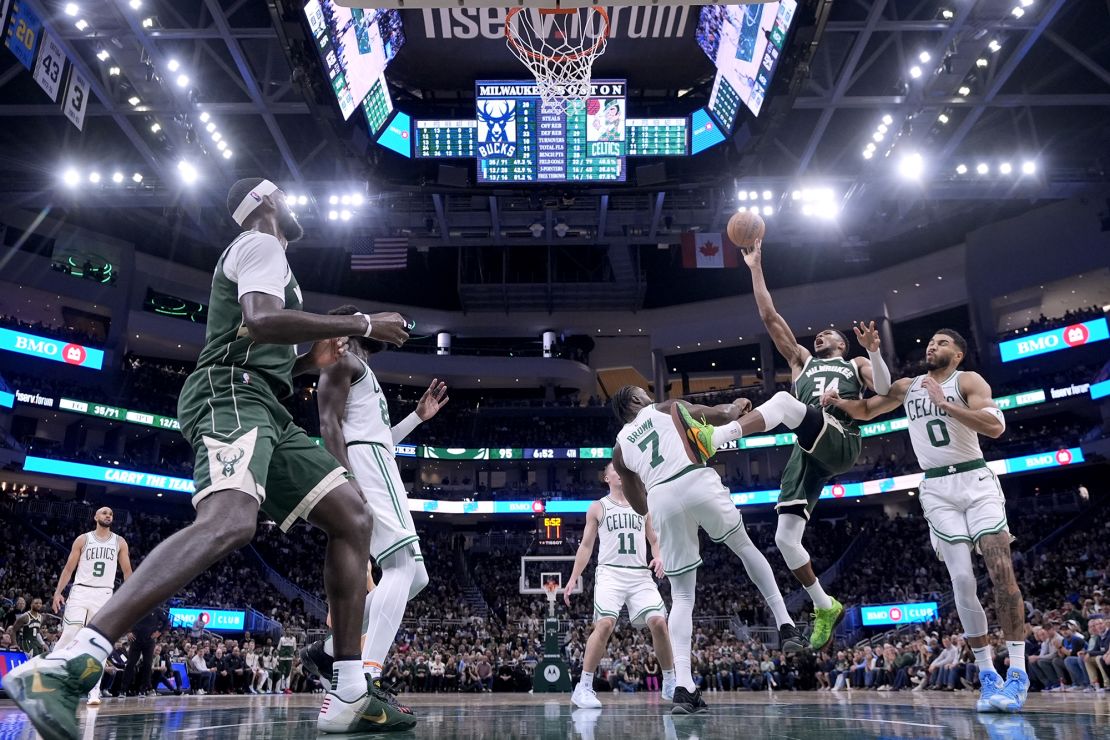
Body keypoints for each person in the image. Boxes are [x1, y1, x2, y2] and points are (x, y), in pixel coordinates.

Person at [1, 177, 416, 738]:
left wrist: (304, 361)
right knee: (230, 521)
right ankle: (69, 662)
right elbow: (261, 320)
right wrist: (362, 324)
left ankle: (349, 692)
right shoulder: (261, 242)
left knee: (354, 518)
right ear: (266, 202)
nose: (293, 204)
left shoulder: (273, 260)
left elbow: (262, 341)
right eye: (284, 195)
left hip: (263, 400)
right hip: (230, 393)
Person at [823, 328, 1029, 712]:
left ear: (958, 354)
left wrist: (947, 405)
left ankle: (1017, 671)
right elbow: (869, 407)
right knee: (963, 581)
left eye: (942, 342)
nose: (932, 345)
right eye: (930, 341)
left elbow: (996, 426)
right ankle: (988, 676)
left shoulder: (968, 380)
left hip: (976, 479)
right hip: (936, 488)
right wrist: (838, 402)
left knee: (1001, 568)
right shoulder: (909, 385)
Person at [730, 241, 892, 651]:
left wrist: (873, 352)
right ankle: (825, 605)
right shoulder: (801, 362)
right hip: (807, 451)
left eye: (829, 334)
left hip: (841, 438)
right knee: (785, 539)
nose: (820, 335)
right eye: (817, 334)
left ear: (843, 344)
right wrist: (756, 266)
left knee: (785, 402)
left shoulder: (853, 364)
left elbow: (886, 392)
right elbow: (769, 316)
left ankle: (719, 436)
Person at [609, 385, 804, 715]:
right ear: (634, 401)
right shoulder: (666, 407)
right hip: (694, 478)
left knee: (683, 596)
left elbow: (638, 505)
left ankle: (683, 686)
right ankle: (786, 624)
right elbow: (721, 414)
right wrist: (738, 405)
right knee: (744, 547)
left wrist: (656, 498)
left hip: (661, 498)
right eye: (643, 393)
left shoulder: (618, 449)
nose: (649, 394)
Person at [301, 319, 448, 717]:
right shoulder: (344, 359)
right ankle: (366, 676)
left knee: (415, 576)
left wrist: (417, 417)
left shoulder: (362, 370)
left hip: (378, 461)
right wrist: (345, 475)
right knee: (401, 566)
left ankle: (329, 650)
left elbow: (378, 437)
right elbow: (329, 426)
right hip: (368, 467)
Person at [565, 462, 677, 708]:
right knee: (604, 624)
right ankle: (583, 687)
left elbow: (654, 538)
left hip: (639, 574)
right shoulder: (597, 507)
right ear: (606, 477)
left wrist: (658, 556)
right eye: (614, 469)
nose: (619, 472)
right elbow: (586, 546)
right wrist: (574, 577)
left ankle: (670, 682)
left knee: (659, 621)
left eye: (623, 468)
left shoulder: (643, 505)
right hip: (610, 573)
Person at [50, 506, 133, 705]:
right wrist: (58, 592)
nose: (108, 516)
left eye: (111, 514)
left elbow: (128, 571)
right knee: (70, 635)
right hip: (80, 591)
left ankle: (93, 692)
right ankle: (49, 678)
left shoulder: (119, 542)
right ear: (96, 517)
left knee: (99, 643)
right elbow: (69, 568)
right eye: (104, 513)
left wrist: (130, 597)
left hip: (104, 593)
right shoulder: (83, 539)